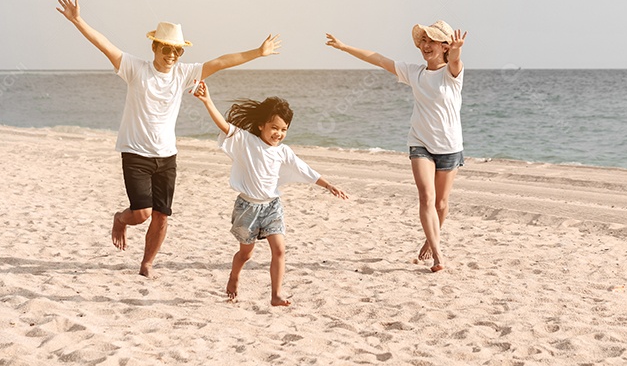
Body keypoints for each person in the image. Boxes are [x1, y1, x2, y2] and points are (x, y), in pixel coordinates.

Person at [56, 0, 282, 277]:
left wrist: (257, 53)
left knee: (162, 216)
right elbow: (105, 46)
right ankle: (120, 219)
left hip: (167, 156)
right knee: (141, 214)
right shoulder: (135, 69)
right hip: (135, 152)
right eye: (167, 49)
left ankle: (147, 262)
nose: (172, 55)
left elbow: (221, 62)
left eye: (177, 51)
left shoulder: (184, 74)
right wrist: (78, 20)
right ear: (155, 47)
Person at [325, 21, 466, 272]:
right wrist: (344, 47)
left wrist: (456, 51)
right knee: (426, 197)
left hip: (450, 146)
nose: (425, 46)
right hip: (420, 143)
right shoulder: (414, 72)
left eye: (431, 41)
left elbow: (455, 60)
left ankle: (429, 239)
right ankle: (438, 254)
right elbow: (379, 59)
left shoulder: (452, 74)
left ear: (444, 46)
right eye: (423, 41)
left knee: (441, 204)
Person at [192, 81, 347, 304]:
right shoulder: (246, 141)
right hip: (248, 208)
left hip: (272, 206)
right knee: (246, 254)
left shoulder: (283, 151)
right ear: (260, 126)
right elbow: (224, 126)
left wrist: (328, 185)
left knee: (280, 250)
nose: (279, 134)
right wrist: (207, 101)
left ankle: (276, 295)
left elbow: (304, 169)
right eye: (274, 128)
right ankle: (234, 276)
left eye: (284, 129)